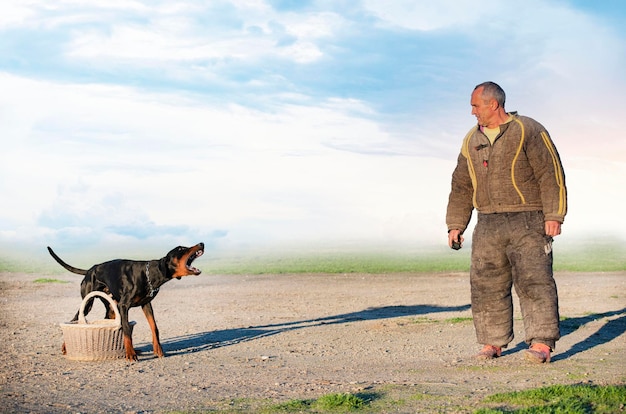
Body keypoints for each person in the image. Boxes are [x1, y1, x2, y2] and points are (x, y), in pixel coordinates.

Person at [446, 81, 567, 363]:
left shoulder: (528, 129)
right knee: (486, 284)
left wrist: (554, 215)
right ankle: (492, 342)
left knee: (534, 281)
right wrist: (456, 224)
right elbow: (461, 185)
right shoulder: (470, 139)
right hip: (487, 222)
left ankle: (541, 343)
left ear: (493, 103)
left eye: (475, 105)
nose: (472, 112)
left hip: (528, 218)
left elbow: (551, 173)